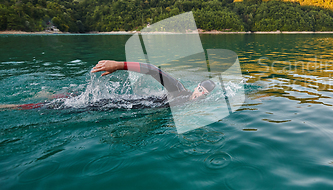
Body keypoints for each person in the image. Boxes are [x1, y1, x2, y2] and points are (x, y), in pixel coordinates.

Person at [0, 60, 216, 110]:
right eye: (200, 89)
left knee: (81, 101)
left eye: (203, 93)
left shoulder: (191, 105)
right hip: (128, 104)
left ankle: (54, 95)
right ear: (195, 86)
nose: (199, 94)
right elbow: (152, 69)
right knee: (75, 106)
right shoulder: (178, 89)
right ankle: (19, 106)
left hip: (133, 107)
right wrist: (117, 65)